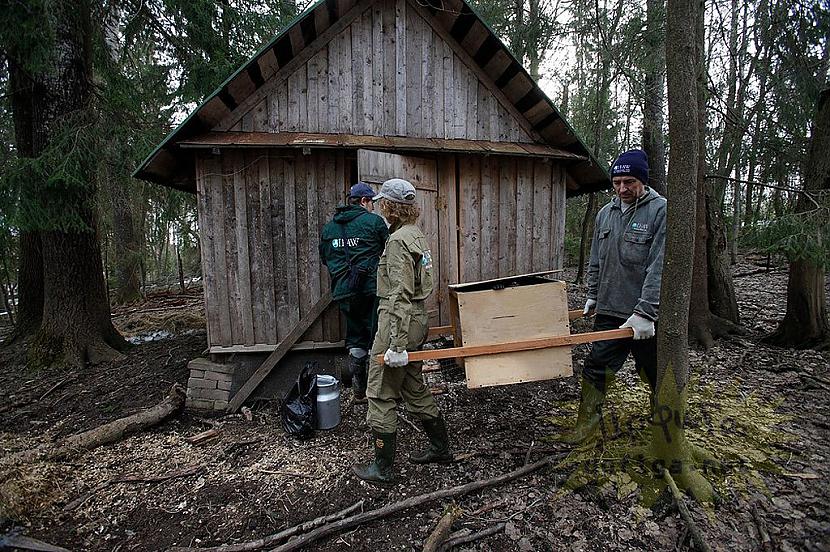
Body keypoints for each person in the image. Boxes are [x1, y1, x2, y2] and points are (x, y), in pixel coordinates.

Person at [352, 178, 452, 485]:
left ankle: (382, 468)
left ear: (390, 206)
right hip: (417, 319)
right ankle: (440, 447)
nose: (380, 205)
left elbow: (398, 294)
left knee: (380, 392)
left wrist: (395, 344)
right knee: (412, 384)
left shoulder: (397, 241)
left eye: (383, 202)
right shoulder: (415, 235)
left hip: (399, 322)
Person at [567, 149, 667, 444]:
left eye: (629, 182)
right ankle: (586, 428)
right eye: (617, 182)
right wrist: (593, 295)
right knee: (597, 368)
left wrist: (647, 312)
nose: (622, 189)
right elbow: (597, 260)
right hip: (610, 311)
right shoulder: (605, 214)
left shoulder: (660, 211)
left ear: (643, 181)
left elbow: (659, 265)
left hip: (643, 317)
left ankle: (664, 430)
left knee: (656, 374)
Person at [320, 182, 389, 400]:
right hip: (371, 289)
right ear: (363, 201)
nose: (373, 208)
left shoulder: (329, 228)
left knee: (356, 334)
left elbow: (325, 259)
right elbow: (389, 250)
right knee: (377, 334)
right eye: (372, 203)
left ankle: (359, 389)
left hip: (344, 291)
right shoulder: (375, 222)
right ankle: (378, 390)